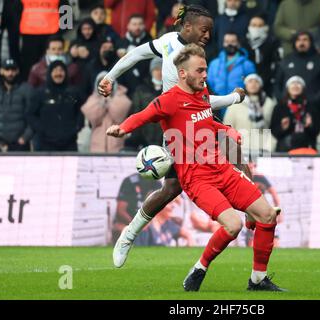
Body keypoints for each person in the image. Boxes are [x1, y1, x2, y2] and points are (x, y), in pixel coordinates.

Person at [107, 43, 285, 292]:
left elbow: (207, 123)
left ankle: (258, 280)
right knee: (232, 226)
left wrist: (226, 130)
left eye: (205, 70)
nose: (205, 75)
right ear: (182, 73)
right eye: (200, 70)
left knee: (267, 216)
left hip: (221, 168)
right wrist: (122, 128)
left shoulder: (202, 94)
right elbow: (143, 115)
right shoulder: (168, 101)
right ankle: (200, 267)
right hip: (197, 179)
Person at [97, 5, 248, 269]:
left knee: (234, 148)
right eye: (204, 30)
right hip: (178, 130)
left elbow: (201, 101)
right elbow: (135, 55)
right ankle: (128, 235)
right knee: (171, 189)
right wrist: (234, 97)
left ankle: (253, 208)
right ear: (187, 27)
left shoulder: (196, 56)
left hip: (202, 122)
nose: (208, 36)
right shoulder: (168, 45)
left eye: (210, 32)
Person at [27, 60, 83, 151]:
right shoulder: (40, 94)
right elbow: (30, 114)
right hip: (45, 144)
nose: (58, 73)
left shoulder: (73, 94)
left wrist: (76, 128)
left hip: (69, 144)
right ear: (50, 73)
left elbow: (80, 111)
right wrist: (42, 130)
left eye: (61, 70)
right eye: (55, 70)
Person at [224, 73, 277, 153]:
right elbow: (227, 127)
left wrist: (270, 147)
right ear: (245, 85)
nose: (253, 84)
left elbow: (272, 128)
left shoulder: (269, 103)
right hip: (240, 148)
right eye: (250, 81)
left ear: (261, 85)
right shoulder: (235, 103)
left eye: (256, 81)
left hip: (263, 149)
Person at [207, 32, 256, 116]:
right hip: (217, 108)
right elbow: (209, 86)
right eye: (227, 41)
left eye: (233, 41)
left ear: (238, 43)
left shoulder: (247, 65)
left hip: (239, 108)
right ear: (223, 43)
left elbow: (253, 87)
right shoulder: (214, 64)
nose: (229, 44)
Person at [80, 72, 131, 153]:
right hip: (97, 147)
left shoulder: (121, 96)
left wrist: (109, 101)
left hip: (117, 145)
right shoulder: (92, 98)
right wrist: (103, 103)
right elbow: (94, 119)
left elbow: (119, 117)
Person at [271, 76, 320, 152]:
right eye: (292, 83)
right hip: (285, 148)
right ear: (287, 88)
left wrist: (310, 125)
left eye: (298, 83)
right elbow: (274, 131)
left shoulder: (311, 107)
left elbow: (316, 131)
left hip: (306, 147)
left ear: (303, 88)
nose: (295, 86)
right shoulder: (280, 107)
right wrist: (282, 128)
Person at [123, 58, 164, 151]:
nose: (159, 72)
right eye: (156, 69)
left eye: (161, 69)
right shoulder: (141, 90)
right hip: (144, 139)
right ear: (151, 71)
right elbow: (135, 112)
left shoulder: (170, 90)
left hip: (163, 138)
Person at [0, 59, 33, 151]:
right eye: (7, 70)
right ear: (1, 71)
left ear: (17, 71)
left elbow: (32, 116)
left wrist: (25, 137)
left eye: (13, 70)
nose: (10, 73)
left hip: (20, 142)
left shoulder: (26, 89)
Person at [113, 173, 162, 243]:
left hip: (147, 224)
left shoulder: (157, 184)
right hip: (128, 222)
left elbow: (158, 210)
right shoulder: (130, 182)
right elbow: (120, 211)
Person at [242, 14, 283, 97]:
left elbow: (277, 65)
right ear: (249, 27)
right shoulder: (243, 44)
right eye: (254, 25)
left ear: (266, 27)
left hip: (268, 85)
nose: (256, 28)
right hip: (246, 86)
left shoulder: (273, 43)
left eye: (260, 25)